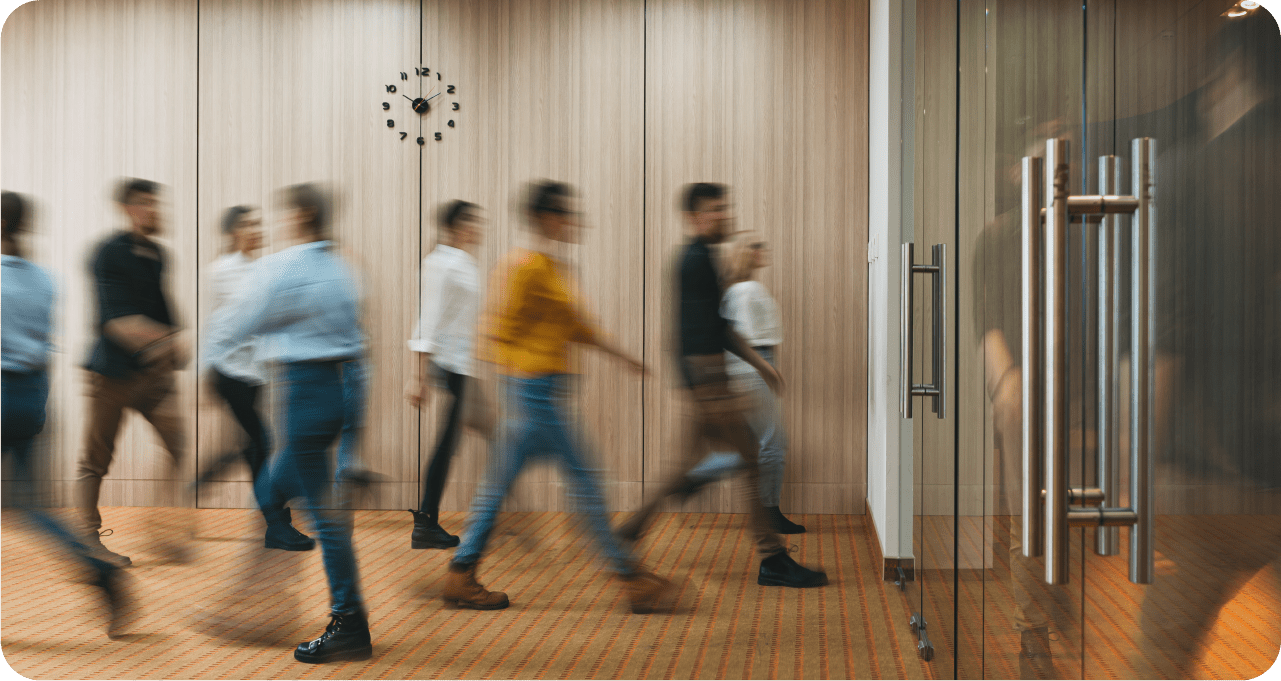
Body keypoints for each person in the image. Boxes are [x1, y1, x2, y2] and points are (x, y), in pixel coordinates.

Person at [441, 180, 676, 614]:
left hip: (539, 394)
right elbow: (494, 330)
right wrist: (517, 384)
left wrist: (623, 356)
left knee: (497, 488)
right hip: (534, 397)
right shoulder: (524, 266)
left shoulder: (552, 267)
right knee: (586, 481)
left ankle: (461, 572)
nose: (575, 221)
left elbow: (577, 327)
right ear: (547, 218)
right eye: (567, 213)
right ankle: (632, 579)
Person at [616, 183, 827, 589]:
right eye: (715, 210)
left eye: (725, 208)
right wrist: (714, 386)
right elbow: (693, 334)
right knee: (751, 458)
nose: (724, 215)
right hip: (709, 383)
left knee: (688, 466)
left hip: (707, 383)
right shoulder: (693, 261)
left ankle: (631, 529)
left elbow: (719, 328)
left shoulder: (702, 261)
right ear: (695, 217)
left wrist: (760, 368)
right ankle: (772, 558)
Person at [204, 183, 372, 663]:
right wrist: (354, 440)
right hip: (340, 390)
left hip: (303, 399)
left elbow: (240, 323)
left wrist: (203, 365)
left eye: (283, 215)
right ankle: (251, 606)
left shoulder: (286, 267)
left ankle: (349, 622)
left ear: (300, 216)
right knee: (273, 495)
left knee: (325, 518)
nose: (275, 225)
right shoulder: (343, 269)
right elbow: (361, 348)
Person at [2, 190, 134, 638]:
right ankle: (99, 571)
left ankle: (101, 573)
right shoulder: (44, 280)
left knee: (20, 505)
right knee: (25, 505)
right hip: (32, 397)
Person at [77, 178, 192, 568]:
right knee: (95, 460)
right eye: (146, 203)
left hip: (152, 378)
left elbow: (166, 313)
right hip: (112, 375)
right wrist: (168, 340)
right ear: (127, 208)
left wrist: (173, 343)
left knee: (178, 444)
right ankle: (89, 541)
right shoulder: (107, 253)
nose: (155, 210)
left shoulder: (158, 255)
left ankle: (162, 529)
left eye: (157, 203)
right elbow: (115, 322)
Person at [198, 205, 313, 550]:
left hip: (256, 374)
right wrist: (205, 372)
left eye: (259, 223)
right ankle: (277, 525)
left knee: (255, 447)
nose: (256, 229)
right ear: (233, 232)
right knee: (261, 443)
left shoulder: (265, 269)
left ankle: (218, 472)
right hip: (229, 370)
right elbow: (216, 324)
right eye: (249, 224)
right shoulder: (220, 271)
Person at [684, 233, 805, 534]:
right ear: (744, 254)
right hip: (755, 367)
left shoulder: (737, 290)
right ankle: (768, 511)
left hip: (751, 367)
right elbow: (744, 339)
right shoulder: (747, 291)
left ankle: (694, 477)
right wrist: (766, 369)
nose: (762, 250)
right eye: (755, 246)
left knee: (751, 445)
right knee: (773, 442)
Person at [404, 200, 484, 549]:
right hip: (450, 365)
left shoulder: (463, 262)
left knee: (455, 439)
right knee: (450, 441)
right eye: (471, 221)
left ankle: (428, 520)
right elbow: (428, 320)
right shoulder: (440, 264)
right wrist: (417, 376)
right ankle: (426, 521)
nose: (477, 227)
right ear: (454, 226)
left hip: (463, 364)